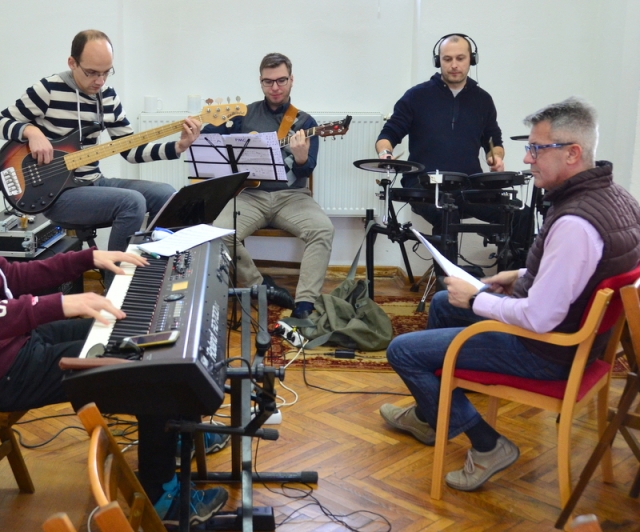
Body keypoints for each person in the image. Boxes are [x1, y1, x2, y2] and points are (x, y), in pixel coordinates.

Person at [0, 99, 227, 526]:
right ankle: (162, 500)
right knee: (147, 367)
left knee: (141, 339)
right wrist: (58, 303)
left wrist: (87, 258)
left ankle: (172, 439)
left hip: (8, 345)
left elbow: (6, 275)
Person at [379, 97, 640, 492]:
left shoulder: (575, 222)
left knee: (403, 351)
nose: (527, 158)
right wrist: (519, 275)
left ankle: (487, 446)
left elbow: (540, 318)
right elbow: (580, 271)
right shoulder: (617, 199)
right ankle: (431, 414)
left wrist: (477, 298)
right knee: (443, 304)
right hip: (580, 340)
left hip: (548, 351)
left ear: (573, 153)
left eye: (537, 148)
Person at [0, 29, 202, 253]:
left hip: (94, 182)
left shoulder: (108, 96)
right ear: (72, 63)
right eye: (91, 73)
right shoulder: (48, 90)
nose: (100, 81)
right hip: (57, 195)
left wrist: (178, 146)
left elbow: (130, 150)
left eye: (106, 73)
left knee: (167, 194)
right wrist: (31, 132)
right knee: (132, 202)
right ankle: (117, 272)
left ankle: (159, 265)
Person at [375, 34, 528, 264]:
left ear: (471, 59)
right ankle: (447, 283)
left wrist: (495, 157)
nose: (454, 65)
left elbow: (494, 142)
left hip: (468, 185)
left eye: (460, 58)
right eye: (447, 59)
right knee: (448, 213)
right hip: (425, 186)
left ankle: (513, 278)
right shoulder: (416, 96)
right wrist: (385, 153)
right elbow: (387, 135)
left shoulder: (483, 100)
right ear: (438, 61)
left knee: (521, 214)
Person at [202, 52, 334, 319]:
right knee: (219, 233)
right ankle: (260, 287)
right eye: (268, 81)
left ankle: (305, 303)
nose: (275, 87)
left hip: (292, 197)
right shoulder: (243, 115)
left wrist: (301, 158)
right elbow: (208, 144)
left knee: (323, 230)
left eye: (281, 80)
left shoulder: (305, 122)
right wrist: (214, 123)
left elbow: (307, 169)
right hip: (250, 194)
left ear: (291, 80)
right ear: (260, 82)